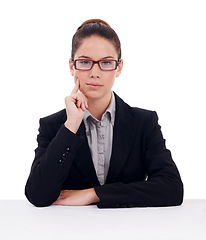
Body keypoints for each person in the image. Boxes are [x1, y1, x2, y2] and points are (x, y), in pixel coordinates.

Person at [25, 19, 183, 208]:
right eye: (84, 62)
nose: (95, 72)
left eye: (106, 63)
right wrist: (71, 125)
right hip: (69, 232)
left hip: (133, 231)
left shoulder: (144, 123)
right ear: (71, 66)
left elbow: (172, 189)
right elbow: (37, 195)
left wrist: (95, 194)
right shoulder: (53, 126)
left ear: (119, 67)